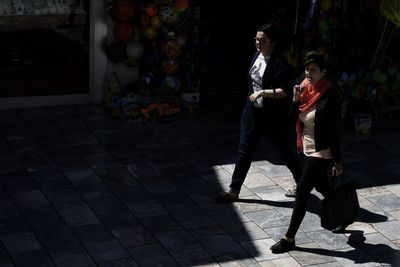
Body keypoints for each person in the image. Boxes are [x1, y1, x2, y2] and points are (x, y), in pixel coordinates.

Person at [214, 23, 302, 203]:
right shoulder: (256, 56)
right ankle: (234, 191)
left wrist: (263, 93)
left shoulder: (279, 64)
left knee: (284, 151)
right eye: (257, 39)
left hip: (272, 117)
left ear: (273, 42)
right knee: (244, 152)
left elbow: (285, 91)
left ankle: (302, 183)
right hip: (252, 115)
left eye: (263, 40)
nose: (258, 43)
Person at [270, 51, 344, 253]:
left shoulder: (331, 95)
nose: (308, 73)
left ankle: (289, 238)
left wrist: (337, 160)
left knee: (302, 191)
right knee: (322, 187)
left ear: (324, 72)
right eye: (306, 69)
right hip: (304, 146)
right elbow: (291, 119)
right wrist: (295, 100)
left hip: (322, 150)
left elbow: (335, 130)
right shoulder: (303, 87)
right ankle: (342, 214)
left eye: (313, 70)